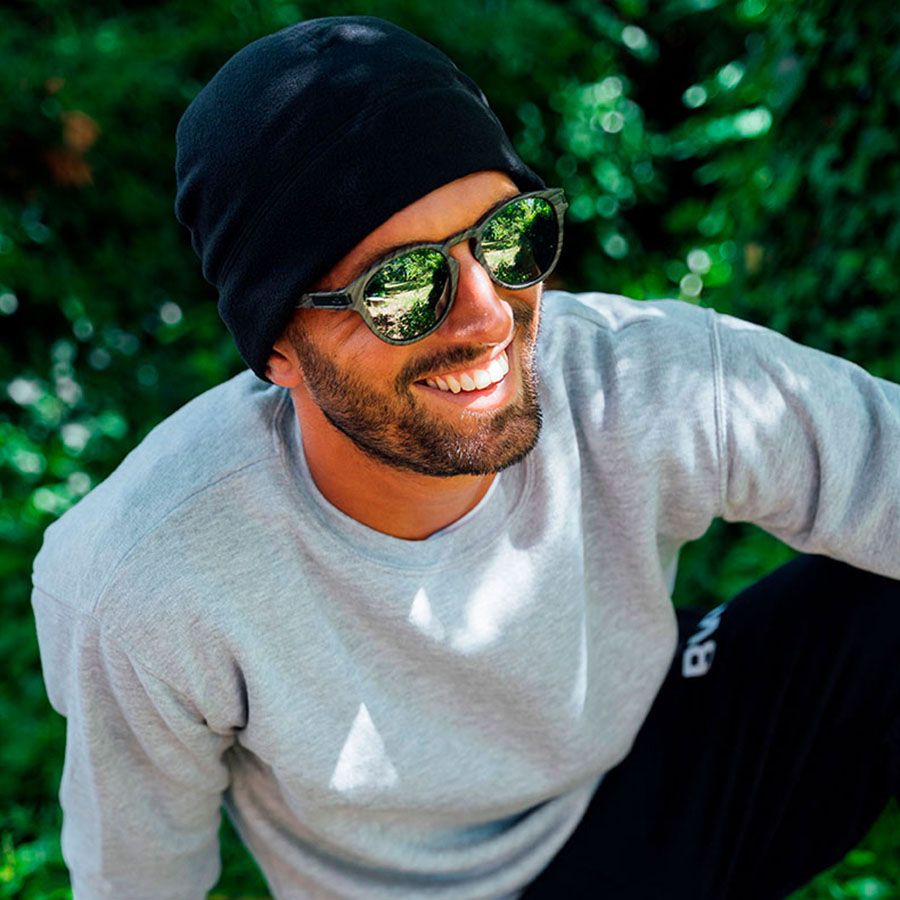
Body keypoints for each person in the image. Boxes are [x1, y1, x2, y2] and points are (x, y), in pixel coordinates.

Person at [30, 15, 899, 900]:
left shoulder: (643, 379)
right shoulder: (145, 581)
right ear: (278, 348)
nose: (486, 316)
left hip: (651, 769)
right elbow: (138, 878)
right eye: (402, 285)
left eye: (508, 237)